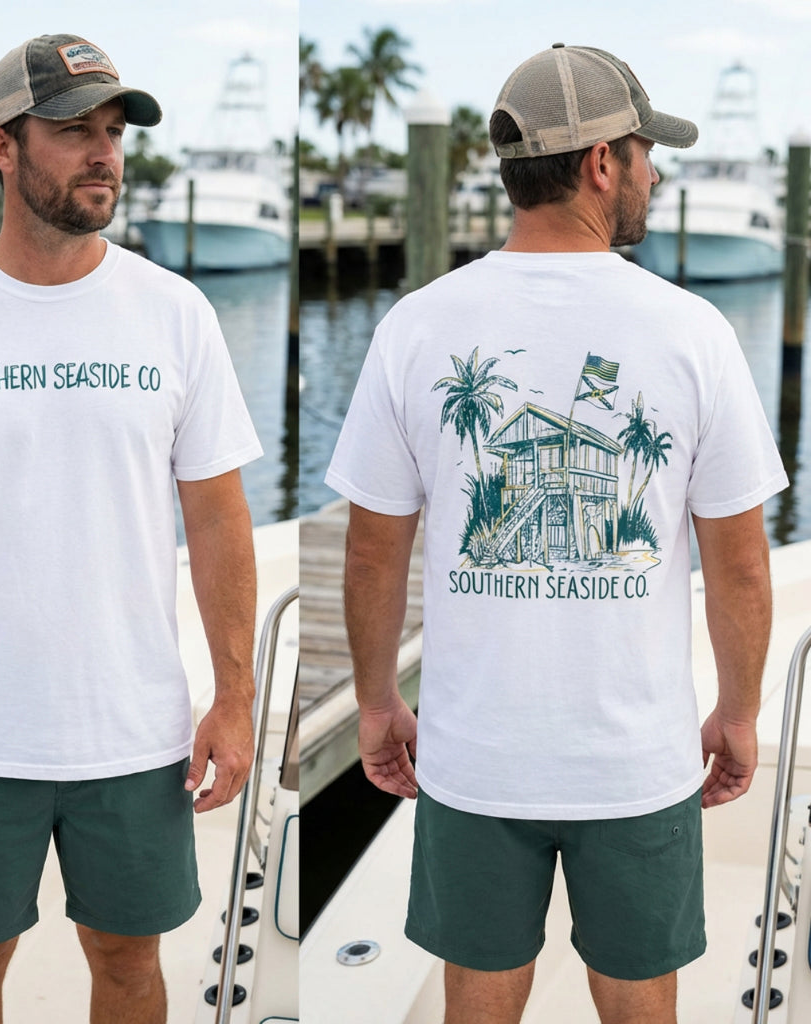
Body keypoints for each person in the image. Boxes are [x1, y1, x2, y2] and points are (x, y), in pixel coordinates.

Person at [326, 43, 789, 1024]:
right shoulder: (693, 331)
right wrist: (739, 712)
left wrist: (376, 701)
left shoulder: (415, 324)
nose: (655, 174)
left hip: (471, 757)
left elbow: (373, 550)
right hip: (636, 763)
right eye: (644, 153)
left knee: (479, 1005)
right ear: (599, 164)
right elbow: (740, 564)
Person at [0, 33, 263, 1024]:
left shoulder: (175, 314)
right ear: (0, 147)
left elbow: (219, 515)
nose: (104, 152)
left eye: (112, 131)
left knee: (125, 960)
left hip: (132, 728)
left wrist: (232, 697)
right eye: (73, 131)